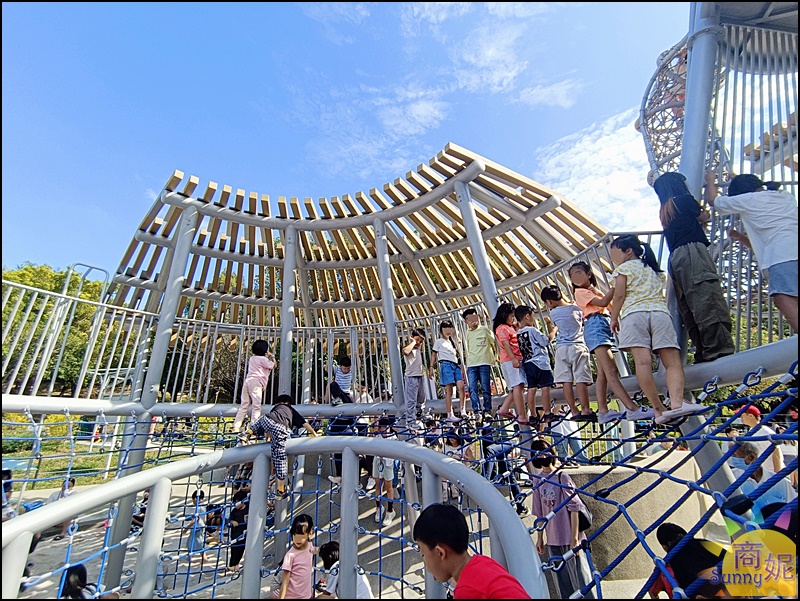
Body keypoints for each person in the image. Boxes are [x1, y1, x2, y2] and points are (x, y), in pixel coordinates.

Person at [608, 235, 700, 424]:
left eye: (614, 251)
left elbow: (618, 296)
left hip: (634, 315)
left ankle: (658, 410)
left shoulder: (622, 269)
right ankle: (677, 403)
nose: (611, 256)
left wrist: (614, 318)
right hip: (659, 313)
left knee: (643, 364)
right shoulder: (655, 270)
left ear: (628, 251)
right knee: (672, 362)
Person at [653, 171, 735, 363]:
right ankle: (719, 348)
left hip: (676, 258)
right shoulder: (683, 200)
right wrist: (710, 182)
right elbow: (704, 215)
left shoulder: (666, 209)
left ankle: (702, 349)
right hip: (692, 252)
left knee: (689, 305)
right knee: (706, 296)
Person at [705, 172, 798, 332]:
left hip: (781, 257)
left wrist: (711, 181)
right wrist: (739, 237)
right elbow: (763, 242)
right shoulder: (784, 196)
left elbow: (714, 201)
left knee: (782, 298)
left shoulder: (748, 200)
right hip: (790, 249)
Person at [567, 261, 655, 423]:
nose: (575, 277)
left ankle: (603, 410)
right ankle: (632, 408)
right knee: (611, 370)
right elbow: (603, 303)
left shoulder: (590, 291)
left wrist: (601, 291)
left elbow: (611, 305)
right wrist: (615, 287)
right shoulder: (579, 292)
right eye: (572, 275)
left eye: (578, 272)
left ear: (588, 274)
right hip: (595, 325)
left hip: (601, 325)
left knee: (603, 372)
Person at [412, 502, 530, 599]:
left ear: (440, 553)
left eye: (423, 555)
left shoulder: (467, 591)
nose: (426, 565)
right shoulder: (484, 562)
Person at [531, 447, 594, 599]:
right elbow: (540, 514)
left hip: (570, 536)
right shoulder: (538, 480)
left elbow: (575, 508)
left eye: (544, 451)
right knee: (562, 583)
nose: (542, 455)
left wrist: (574, 539)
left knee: (582, 580)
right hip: (553, 539)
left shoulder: (562, 477)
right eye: (538, 453)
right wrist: (540, 538)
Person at [237, 393, 318, 497]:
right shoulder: (291, 410)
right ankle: (280, 489)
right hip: (281, 429)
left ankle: (247, 434)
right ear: (289, 403)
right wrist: (314, 433)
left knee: (260, 422)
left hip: (267, 421)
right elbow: (304, 423)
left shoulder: (276, 408)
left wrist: (267, 440)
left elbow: (267, 428)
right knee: (280, 458)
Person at [539, 286, 595, 422]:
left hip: (562, 348)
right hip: (578, 346)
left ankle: (574, 410)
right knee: (581, 379)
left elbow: (556, 325)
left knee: (566, 382)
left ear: (549, 302)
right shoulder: (576, 308)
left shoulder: (553, 314)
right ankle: (586, 409)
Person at [647, 522, 726, 599]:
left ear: (664, 547)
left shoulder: (665, 567)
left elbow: (651, 591)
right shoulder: (705, 543)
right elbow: (731, 558)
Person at [731, 441, 796, 522]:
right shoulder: (732, 479)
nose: (731, 459)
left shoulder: (779, 481)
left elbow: (792, 506)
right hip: (747, 530)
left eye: (734, 455)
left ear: (751, 457)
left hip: (778, 530)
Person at [513, 305, 556, 423]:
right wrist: (553, 331)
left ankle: (532, 414)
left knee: (531, 389)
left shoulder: (519, 334)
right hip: (540, 363)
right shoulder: (532, 330)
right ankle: (547, 412)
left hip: (527, 363)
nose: (534, 319)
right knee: (545, 387)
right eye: (533, 316)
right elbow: (545, 341)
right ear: (527, 316)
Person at [492, 303, 528, 424]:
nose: (513, 318)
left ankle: (504, 408)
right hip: (510, 360)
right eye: (512, 316)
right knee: (518, 386)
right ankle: (522, 415)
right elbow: (506, 344)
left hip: (513, 359)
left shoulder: (509, 327)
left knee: (517, 387)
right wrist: (513, 358)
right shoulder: (502, 328)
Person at [233, 339, 276, 431]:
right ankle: (254, 427)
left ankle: (236, 426)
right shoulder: (263, 359)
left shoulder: (252, 358)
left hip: (248, 381)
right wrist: (271, 356)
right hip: (256, 383)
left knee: (244, 404)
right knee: (256, 406)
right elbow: (274, 365)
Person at [462, 308, 498, 416]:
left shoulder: (484, 330)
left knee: (485, 387)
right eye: (470, 319)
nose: (473, 320)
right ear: (466, 321)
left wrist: (496, 356)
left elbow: (494, 342)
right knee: (472, 388)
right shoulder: (466, 333)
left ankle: (487, 409)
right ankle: (477, 410)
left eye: (474, 317)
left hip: (484, 362)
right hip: (472, 363)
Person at [429, 320, 467, 422]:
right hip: (445, 364)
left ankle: (463, 410)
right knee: (449, 390)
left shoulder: (452, 342)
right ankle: (450, 413)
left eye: (449, 328)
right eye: (445, 328)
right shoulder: (439, 341)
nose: (447, 330)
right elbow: (434, 354)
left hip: (455, 365)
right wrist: (431, 367)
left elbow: (458, 354)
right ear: (441, 330)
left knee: (461, 386)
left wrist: (458, 343)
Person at [735, 404, 785, 474]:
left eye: (742, 415)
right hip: (760, 471)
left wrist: (777, 473)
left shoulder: (766, 432)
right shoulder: (751, 431)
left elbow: (777, 452)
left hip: (770, 471)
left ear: (750, 416)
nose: (741, 418)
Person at [276, 513, 316, 599]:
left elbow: (314, 550)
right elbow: (285, 583)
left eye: (301, 536)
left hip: (307, 595)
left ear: (310, 534)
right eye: (294, 535)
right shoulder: (290, 556)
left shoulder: (310, 545)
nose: (297, 539)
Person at [372, 417, 398, 526]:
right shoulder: (376, 437)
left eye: (386, 428)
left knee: (388, 487)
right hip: (377, 462)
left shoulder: (393, 438)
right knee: (378, 485)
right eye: (382, 427)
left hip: (388, 463)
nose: (384, 430)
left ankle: (390, 511)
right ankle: (379, 507)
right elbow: (372, 426)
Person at [402, 328, 428, 431]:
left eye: (421, 342)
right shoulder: (409, 348)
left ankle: (419, 413)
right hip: (411, 376)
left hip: (419, 375)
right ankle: (410, 421)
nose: (419, 343)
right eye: (417, 340)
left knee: (421, 397)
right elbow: (406, 351)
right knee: (411, 399)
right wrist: (413, 342)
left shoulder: (418, 350)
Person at [227, 490, 249, 574]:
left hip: (244, 534)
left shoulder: (248, 509)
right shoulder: (234, 511)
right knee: (234, 550)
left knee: (241, 550)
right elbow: (229, 520)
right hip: (235, 534)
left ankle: (236, 564)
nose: (235, 505)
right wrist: (232, 522)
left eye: (237, 502)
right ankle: (232, 565)